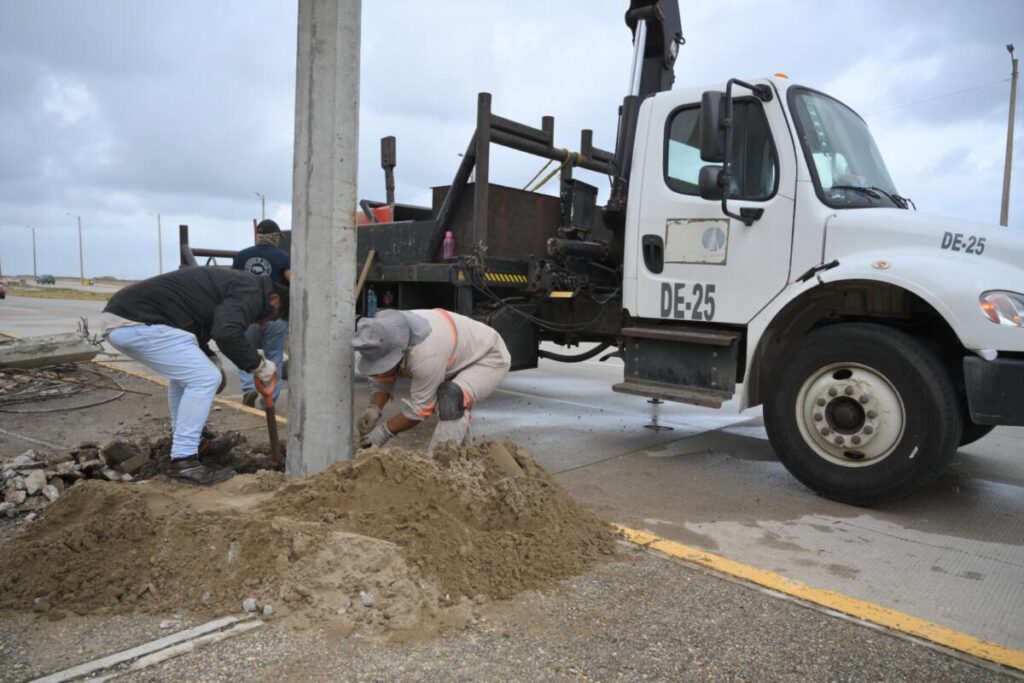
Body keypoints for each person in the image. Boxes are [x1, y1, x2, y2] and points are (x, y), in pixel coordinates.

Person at [101, 268, 287, 485]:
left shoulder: (239, 286)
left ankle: (189, 443)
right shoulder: (251, 290)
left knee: (188, 377)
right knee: (205, 378)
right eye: (272, 316)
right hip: (137, 322)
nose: (264, 323)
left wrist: (208, 354)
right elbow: (226, 332)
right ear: (274, 298)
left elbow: (197, 323)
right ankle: (184, 462)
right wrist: (257, 364)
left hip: (131, 320)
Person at [354, 308, 511, 451]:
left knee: (451, 398)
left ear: (396, 353)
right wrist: (374, 408)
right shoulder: (389, 331)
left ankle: (441, 464)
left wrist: (383, 432)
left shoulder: (424, 353)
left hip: (488, 357)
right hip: (455, 354)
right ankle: (464, 457)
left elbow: (419, 410)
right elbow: (385, 375)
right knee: (453, 402)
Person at [232, 219, 291, 407]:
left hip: (247, 315)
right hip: (275, 315)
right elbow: (293, 280)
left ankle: (249, 389)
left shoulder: (242, 256)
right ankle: (269, 399)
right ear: (275, 237)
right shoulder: (283, 257)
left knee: (245, 352)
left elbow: (232, 282)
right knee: (274, 357)